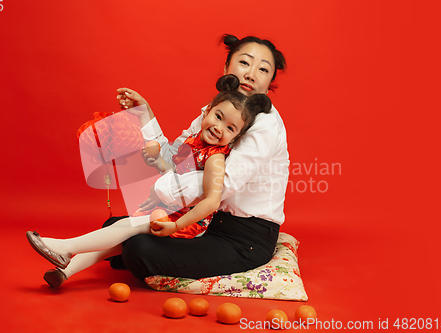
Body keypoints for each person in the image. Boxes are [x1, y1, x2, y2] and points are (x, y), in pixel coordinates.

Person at [26, 74, 272, 288]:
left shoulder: (215, 158)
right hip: (169, 209)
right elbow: (175, 173)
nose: (220, 128)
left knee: (124, 228)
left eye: (230, 128)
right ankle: (65, 271)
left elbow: (210, 202)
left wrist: (176, 226)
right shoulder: (195, 142)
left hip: (184, 221)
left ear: (234, 138)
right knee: (119, 240)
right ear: (206, 112)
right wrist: (157, 160)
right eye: (218, 117)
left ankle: (64, 247)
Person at [119, 34, 289, 280]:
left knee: (137, 247)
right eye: (245, 63)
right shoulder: (215, 112)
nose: (251, 74)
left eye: (263, 69)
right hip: (206, 221)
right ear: (226, 67)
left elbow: (223, 184)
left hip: (245, 237)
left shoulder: (266, 123)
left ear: (269, 83)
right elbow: (176, 160)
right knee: (117, 225)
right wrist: (146, 115)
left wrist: (163, 190)